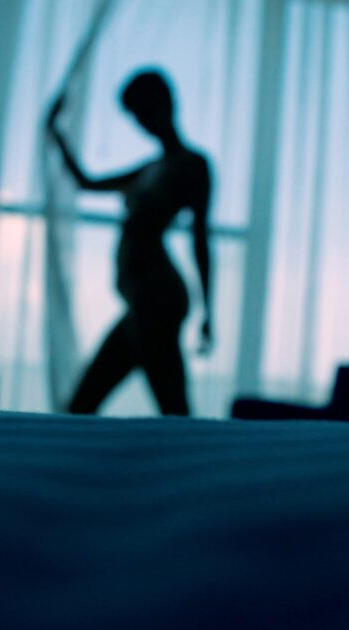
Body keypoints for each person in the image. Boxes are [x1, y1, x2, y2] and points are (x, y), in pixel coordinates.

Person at [46, 68, 213, 416]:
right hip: (143, 302)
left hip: (158, 301)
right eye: (136, 115)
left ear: (166, 104)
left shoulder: (193, 166)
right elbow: (86, 183)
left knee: (171, 411)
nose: (142, 122)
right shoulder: (151, 167)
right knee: (84, 406)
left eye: (145, 110)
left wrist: (209, 312)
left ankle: (196, 466)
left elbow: (200, 239)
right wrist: (56, 132)